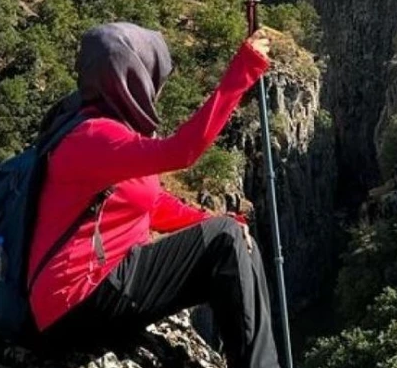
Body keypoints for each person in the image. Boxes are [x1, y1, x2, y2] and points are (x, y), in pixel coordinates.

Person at [28, 21, 280, 368]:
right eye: (151, 77)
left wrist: (214, 218)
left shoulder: (100, 126)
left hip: (88, 296)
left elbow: (152, 204)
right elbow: (183, 151)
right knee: (227, 240)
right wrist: (244, 70)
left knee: (233, 236)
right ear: (130, 78)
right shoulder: (93, 136)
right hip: (77, 303)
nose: (156, 88)